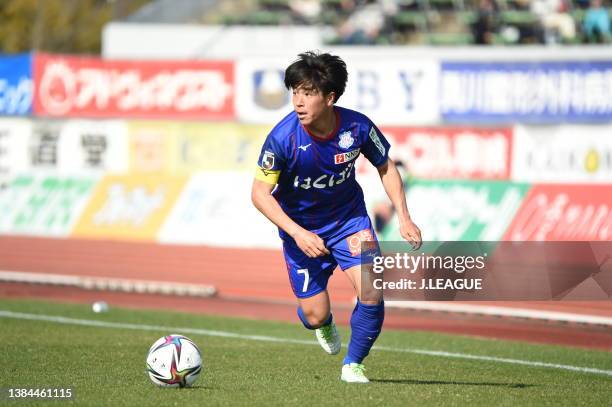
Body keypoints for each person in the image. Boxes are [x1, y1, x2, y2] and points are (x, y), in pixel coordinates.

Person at [251, 51, 422, 383]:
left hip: (349, 221)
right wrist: (298, 233)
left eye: (308, 93)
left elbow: (385, 166)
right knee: (315, 314)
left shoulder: (357, 127)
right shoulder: (282, 138)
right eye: (294, 92)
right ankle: (322, 324)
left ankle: (353, 364)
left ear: (330, 97)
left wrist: (404, 217)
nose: (298, 101)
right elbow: (259, 194)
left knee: (372, 289)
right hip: (301, 231)